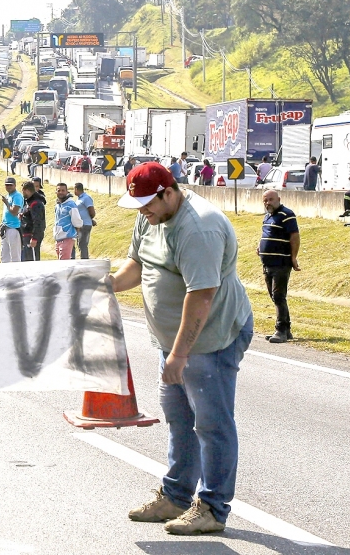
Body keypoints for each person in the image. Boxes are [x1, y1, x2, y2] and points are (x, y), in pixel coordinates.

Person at [113, 162, 252, 536]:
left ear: (168, 191)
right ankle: (175, 497)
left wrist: (179, 355)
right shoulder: (152, 216)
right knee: (179, 419)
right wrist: (106, 284)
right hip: (173, 341)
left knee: (211, 424)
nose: (143, 212)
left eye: (148, 204)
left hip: (210, 340)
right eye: (139, 205)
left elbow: (201, 295)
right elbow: (136, 266)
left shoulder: (199, 227)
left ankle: (212, 508)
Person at [258, 190, 300, 343]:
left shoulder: (286, 214)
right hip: (267, 263)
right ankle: (286, 329)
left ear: (278, 199)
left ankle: (281, 330)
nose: (268, 203)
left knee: (278, 296)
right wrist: (260, 247)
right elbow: (266, 234)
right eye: (265, 200)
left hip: (281, 263)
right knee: (275, 296)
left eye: (270, 199)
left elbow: (294, 236)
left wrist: (294, 257)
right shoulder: (268, 216)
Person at [0, 176, 24, 263]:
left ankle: (17, 275)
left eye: (10, 185)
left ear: (15, 185)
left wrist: (6, 203)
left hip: (13, 229)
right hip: (5, 228)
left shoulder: (17, 196)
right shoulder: (8, 196)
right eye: (7, 185)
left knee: (15, 256)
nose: (8, 187)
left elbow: (14, 212)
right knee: (4, 256)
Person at [19, 181, 45, 261]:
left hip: (31, 235)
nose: (22, 193)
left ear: (26, 190)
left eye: (23, 190)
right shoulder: (28, 202)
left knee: (32, 260)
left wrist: (34, 238)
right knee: (26, 259)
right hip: (26, 234)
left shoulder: (35, 203)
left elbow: (38, 222)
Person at [52, 183, 79, 260]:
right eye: (59, 190)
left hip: (67, 237)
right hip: (58, 238)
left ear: (67, 192)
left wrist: (73, 233)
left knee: (64, 263)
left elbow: (77, 222)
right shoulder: (58, 205)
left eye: (63, 190)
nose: (61, 192)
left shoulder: (71, 204)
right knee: (61, 261)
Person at [72, 182, 96, 259]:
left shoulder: (86, 198)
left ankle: (85, 260)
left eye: (74, 189)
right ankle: (83, 259)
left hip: (85, 225)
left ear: (76, 189)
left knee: (83, 244)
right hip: (80, 224)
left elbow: (91, 211)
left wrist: (90, 219)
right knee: (80, 244)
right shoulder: (79, 199)